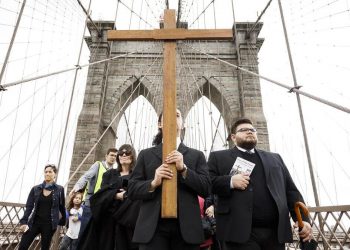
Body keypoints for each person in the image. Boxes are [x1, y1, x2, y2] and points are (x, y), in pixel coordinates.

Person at [208, 118, 313, 250]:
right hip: (239, 233)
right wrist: (230, 181)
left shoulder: (275, 158)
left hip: (275, 232)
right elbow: (207, 183)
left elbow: (290, 191)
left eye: (252, 130)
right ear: (233, 137)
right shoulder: (218, 157)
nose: (249, 132)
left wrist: (303, 220)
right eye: (243, 130)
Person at [128, 109, 211, 250]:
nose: (173, 118)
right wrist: (153, 183)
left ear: (183, 124)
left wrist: (184, 169)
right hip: (152, 229)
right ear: (159, 124)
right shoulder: (145, 154)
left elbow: (206, 188)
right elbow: (132, 190)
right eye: (168, 116)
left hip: (187, 229)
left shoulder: (197, 155)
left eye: (177, 115)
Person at [69, 147, 118, 237]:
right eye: (111, 155)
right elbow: (86, 176)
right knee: (84, 232)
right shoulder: (98, 165)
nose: (113, 157)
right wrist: (76, 187)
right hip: (90, 204)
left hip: (103, 206)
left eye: (115, 156)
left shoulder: (115, 172)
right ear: (106, 156)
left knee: (97, 234)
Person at [18, 164, 66, 250]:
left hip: (49, 224)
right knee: (23, 246)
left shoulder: (60, 189)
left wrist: (63, 220)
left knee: (45, 248)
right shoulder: (35, 189)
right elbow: (29, 206)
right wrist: (23, 222)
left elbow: (62, 206)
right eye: (46, 172)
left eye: (50, 172)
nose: (47, 173)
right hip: (34, 222)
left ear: (55, 174)